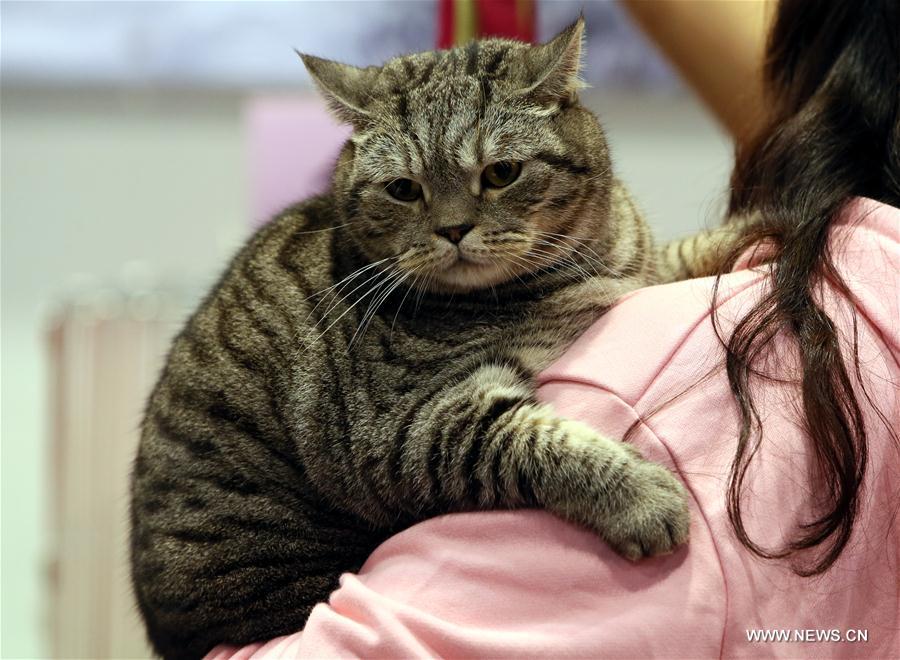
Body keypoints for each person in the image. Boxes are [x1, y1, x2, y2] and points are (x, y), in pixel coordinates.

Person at [210, 0, 899, 657]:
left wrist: (710, 255)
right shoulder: (385, 303)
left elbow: (636, 280)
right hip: (273, 586)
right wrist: (587, 475)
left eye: (500, 173)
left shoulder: (592, 258)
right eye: (405, 191)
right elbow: (403, 445)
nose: (454, 224)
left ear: (564, 113)